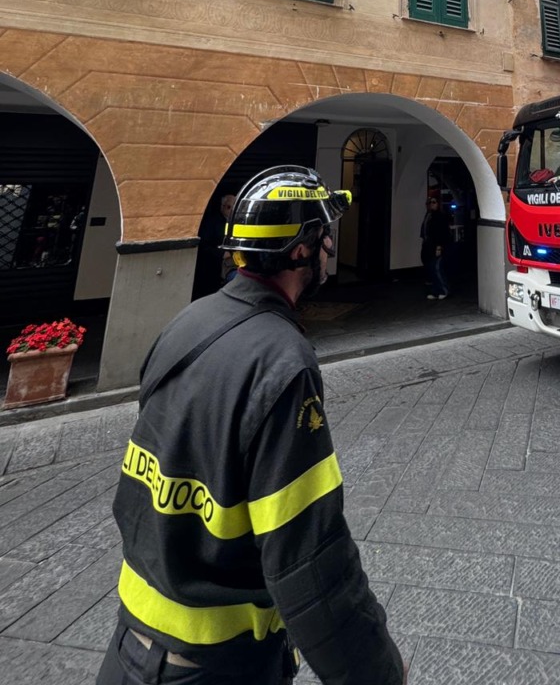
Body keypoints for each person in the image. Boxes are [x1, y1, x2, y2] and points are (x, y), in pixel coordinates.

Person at [96, 165, 405, 685]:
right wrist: (376, 671)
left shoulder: (187, 322)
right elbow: (309, 558)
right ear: (304, 249)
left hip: (128, 646)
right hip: (215, 665)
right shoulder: (282, 363)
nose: (331, 244)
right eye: (325, 233)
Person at [419, 196, 451, 301]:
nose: (431, 204)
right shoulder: (429, 215)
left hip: (436, 246)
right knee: (431, 269)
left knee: (436, 268)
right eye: (430, 202)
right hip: (429, 246)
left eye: (434, 202)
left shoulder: (439, 217)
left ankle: (443, 290)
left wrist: (439, 246)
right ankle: (436, 290)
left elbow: (442, 233)